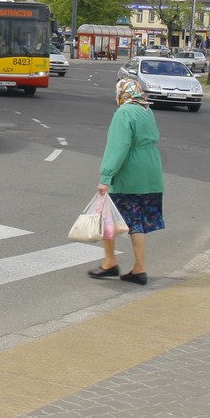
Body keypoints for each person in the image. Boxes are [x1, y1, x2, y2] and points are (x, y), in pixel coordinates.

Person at [88, 78, 164, 286]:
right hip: (150, 172)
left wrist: (106, 177)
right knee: (136, 221)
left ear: (121, 93)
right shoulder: (146, 111)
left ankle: (110, 262)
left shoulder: (124, 113)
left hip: (129, 171)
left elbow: (118, 146)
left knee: (108, 217)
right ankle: (140, 269)